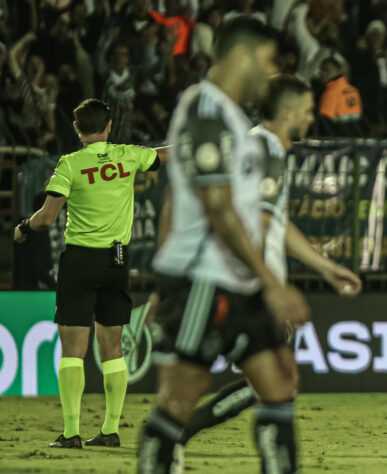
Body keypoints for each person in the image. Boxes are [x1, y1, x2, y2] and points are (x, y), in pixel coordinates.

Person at [138, 18, 309, 474]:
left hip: (235, 277)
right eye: (269, 60)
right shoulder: (206, 110)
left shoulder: (233, 118)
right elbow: (217, 207)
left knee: (279, 383)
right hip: (201, 277)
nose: (271, 73)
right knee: (178, 400)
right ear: (243, 56)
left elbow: (178, 197)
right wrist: (272, 283)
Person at [177, 75, 363, 444]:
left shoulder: (259, 148)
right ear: (288, 112)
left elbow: (276, 222)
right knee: (278, 381)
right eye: (309, 111)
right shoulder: (266, 152)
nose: (313, 118)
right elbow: (259, 227)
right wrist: (270, 287)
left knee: (273, 380)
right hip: (250, 284)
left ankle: (175, 430)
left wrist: (326, 267)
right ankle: (176, 431)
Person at [13, 98, 169, 448]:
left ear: (76, 129)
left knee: (73, 350)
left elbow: (47, 218)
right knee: (112, 349)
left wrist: (23, 227)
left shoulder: (69, 164)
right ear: (109, 127)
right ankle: (111, 431)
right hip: (118, 260)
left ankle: (71, 433)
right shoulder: (127, 155)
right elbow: (165, 155)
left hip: (80, 261)